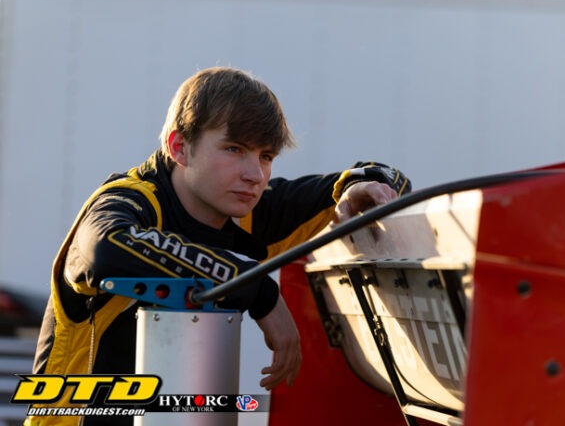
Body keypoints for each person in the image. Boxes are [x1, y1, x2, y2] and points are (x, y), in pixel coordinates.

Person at [27, 66, 410, 425]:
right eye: (234, 149)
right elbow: (104, 249)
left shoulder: (246, 208)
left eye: (266, 156)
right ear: (180, 147)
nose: (254, 174)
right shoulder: (129, 201)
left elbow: (383, 181)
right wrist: (258, 289)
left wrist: (364, 186)